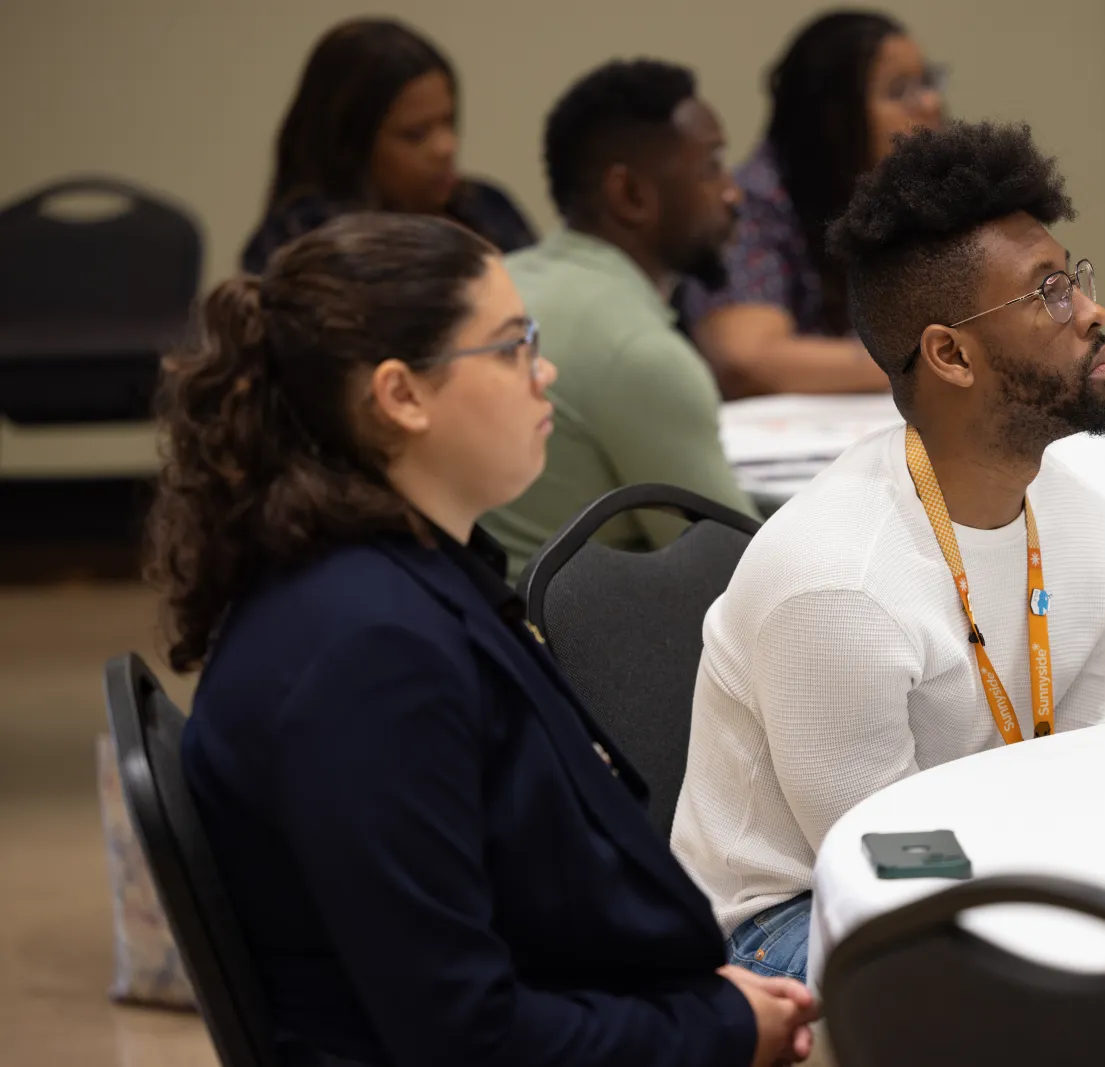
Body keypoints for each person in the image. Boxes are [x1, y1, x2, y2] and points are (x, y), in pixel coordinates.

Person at [148, 213, 816, 1067]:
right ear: (401, 395)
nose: (546, 372)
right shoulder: (369, 653)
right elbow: (465, 1037)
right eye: (510, 347)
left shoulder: (403, 570)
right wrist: (720, 1031)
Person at [671, 121, 1105, 982]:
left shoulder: (1083, 524)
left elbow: (1076, 773)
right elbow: (887, 872)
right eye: (1049, 293)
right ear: (950, 354)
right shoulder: (839, 580)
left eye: (1077, 278)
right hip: (787, 921)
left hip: (983, 872)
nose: (1093, 310)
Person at [483, 60, 756, 570]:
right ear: (629, 195)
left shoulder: (497, 280)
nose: (732, 192)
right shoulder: (637, 352)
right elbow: (742, 582)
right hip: (568, 646)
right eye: (711, 167)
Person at [679, 10, 944, 398]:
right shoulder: (753, 200)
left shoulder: (916, 195)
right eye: (899, 90)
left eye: (927, 82)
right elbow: (746, 358)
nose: (930, 103)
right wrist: (930, 362)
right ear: (833, 116)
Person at [241, 18, 536, 273]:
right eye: (415, 134)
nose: (446, 146)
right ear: (350, 146)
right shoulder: (304, 247)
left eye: (449, 121)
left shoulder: (487, 207)